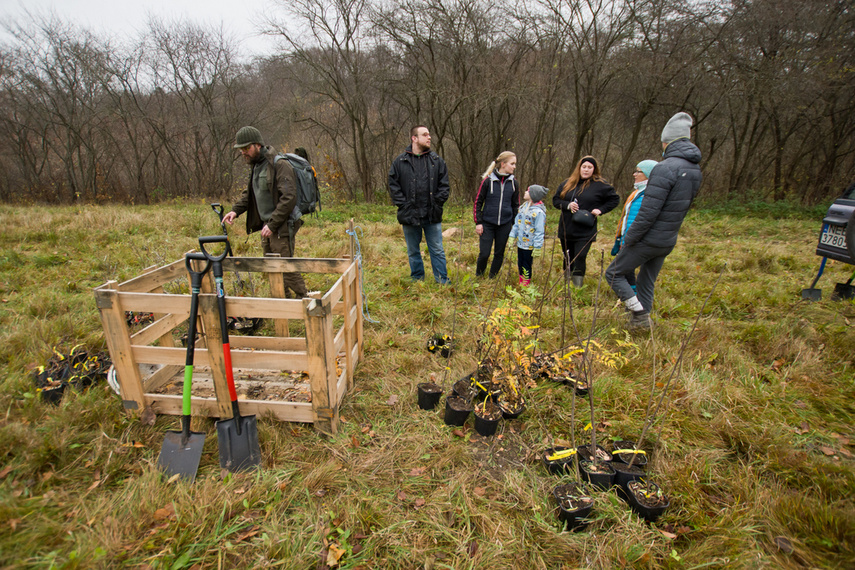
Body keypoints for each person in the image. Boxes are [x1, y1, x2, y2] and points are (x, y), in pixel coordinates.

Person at [605, 112, 703, 330]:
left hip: (648, 238)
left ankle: (639, 314)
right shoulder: (694, 169)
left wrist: (630, 238)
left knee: (613, 273)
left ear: (668, 141)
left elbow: (649, 211)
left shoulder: (664, 168)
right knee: (646, 280)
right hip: (668, 239)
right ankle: (642, 324)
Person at [222, 126, 307, 298]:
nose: (243, 152)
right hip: (267, 226)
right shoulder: (257, 166)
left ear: (258, 145)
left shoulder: (279, 164)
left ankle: (306, 302)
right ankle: (283, 302)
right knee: (271, 266)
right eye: (241, 149)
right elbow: (250, 194)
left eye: (246, 148)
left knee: (284, 266)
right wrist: (235, 211)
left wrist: (273, 224)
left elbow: (289, 197)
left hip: (282, 225)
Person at [388, 125, 451, 284]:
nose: (429, 137)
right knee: (413, 251)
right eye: (425, 135)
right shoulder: (400, 162)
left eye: (429, 134)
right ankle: (417, 280)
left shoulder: (437, 161)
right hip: (410, 215)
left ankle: (442, 281)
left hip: (432, 215)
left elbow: (444, 186)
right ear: (414, 138)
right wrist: (404, 205)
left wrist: (436, 204)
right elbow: (393, 186)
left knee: (437, 250)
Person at [552, 156, 619, 287]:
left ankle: (577, 288)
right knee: (568, 256)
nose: (586, 170)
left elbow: (614, 200)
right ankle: (567, 286)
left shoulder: (601, 185)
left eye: (589, 167)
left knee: (580, 256)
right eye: (584, 167)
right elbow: (556, 200)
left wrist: (600, 210)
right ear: (579, 168)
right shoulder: (568, 183)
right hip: (567, 227)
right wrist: (567, 205)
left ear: (594, 169)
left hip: (585, 229)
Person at [611, 160, 658, 292]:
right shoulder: (637, 192)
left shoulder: (650, 194)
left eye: (638, 171)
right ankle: (631, 293)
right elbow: (626, 217)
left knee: (618, 270)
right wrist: (620, 238)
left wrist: (631, 239)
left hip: (636, 239)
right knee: (626, 270)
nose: (634, 174)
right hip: (628, 237)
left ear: (648, 174)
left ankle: (632, 296)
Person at [473, 151, 520, 278]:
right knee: (484, 253)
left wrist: (515, 225)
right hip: (487, 224)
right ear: (503, 164)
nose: (514, 166)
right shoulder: (487, 181)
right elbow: (478, 202)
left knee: (499, 253)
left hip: (505, 224)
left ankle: (492, 277)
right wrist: (478, 222)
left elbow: (516, 205)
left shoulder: (514, 183)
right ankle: (479, 276)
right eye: (512, 164)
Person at [509, 184, 548, 285]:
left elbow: (539, 231)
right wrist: (512, 236)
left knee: (526, 265)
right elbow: (517, 223)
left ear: (533, 195)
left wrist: (537, 246)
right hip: (520, 243)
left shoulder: (539, 212)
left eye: (528, 191)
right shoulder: (523, 207)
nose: (525, 192)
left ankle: (525, 284)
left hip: (530, 245)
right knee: (520, 263)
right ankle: (521, 282)